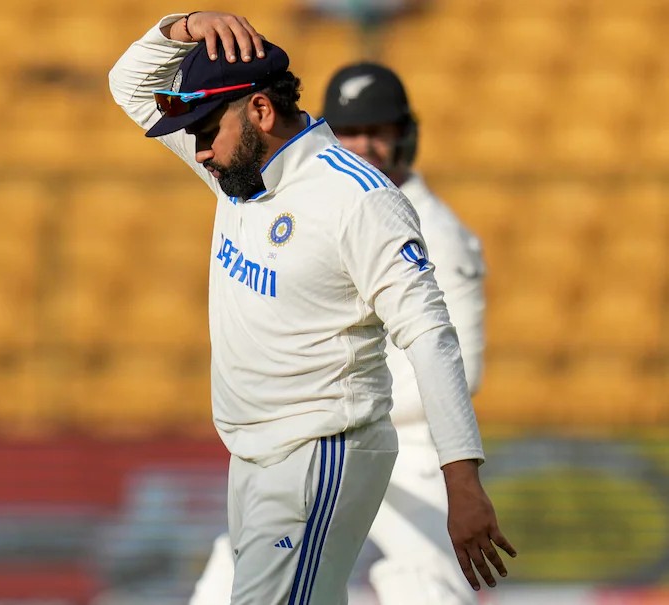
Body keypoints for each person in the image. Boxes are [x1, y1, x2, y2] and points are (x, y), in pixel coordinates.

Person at [109, 12, 515, 604]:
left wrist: (462, 477)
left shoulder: (357, 199)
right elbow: (129, 86)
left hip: (320, 451)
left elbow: (430, 334)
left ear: (260, 111)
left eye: (207, 131)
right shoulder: (236, 172)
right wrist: (185, 26)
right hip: (252, 455)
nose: (199, 151)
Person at [190, 62, 487, 605]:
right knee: (234, 580)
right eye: (350, 132)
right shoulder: (295, 190)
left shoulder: (437, 231)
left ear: (405, 137)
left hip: (401, 443)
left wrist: (337, 397)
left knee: (430, 589)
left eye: (378, 132)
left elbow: (451, 357)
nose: (363, 145)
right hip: (310, 437)